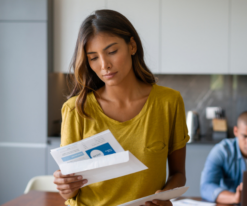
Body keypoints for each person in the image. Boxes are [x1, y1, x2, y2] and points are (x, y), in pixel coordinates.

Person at [53, 9, 189, 206]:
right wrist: (65, 186)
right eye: (93, 57)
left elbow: (179, 174)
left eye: (112, 52)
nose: (104, 65)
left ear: (132, 46)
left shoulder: (169, 102)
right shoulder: (76, 109)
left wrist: (163, 198)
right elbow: (69, 194)